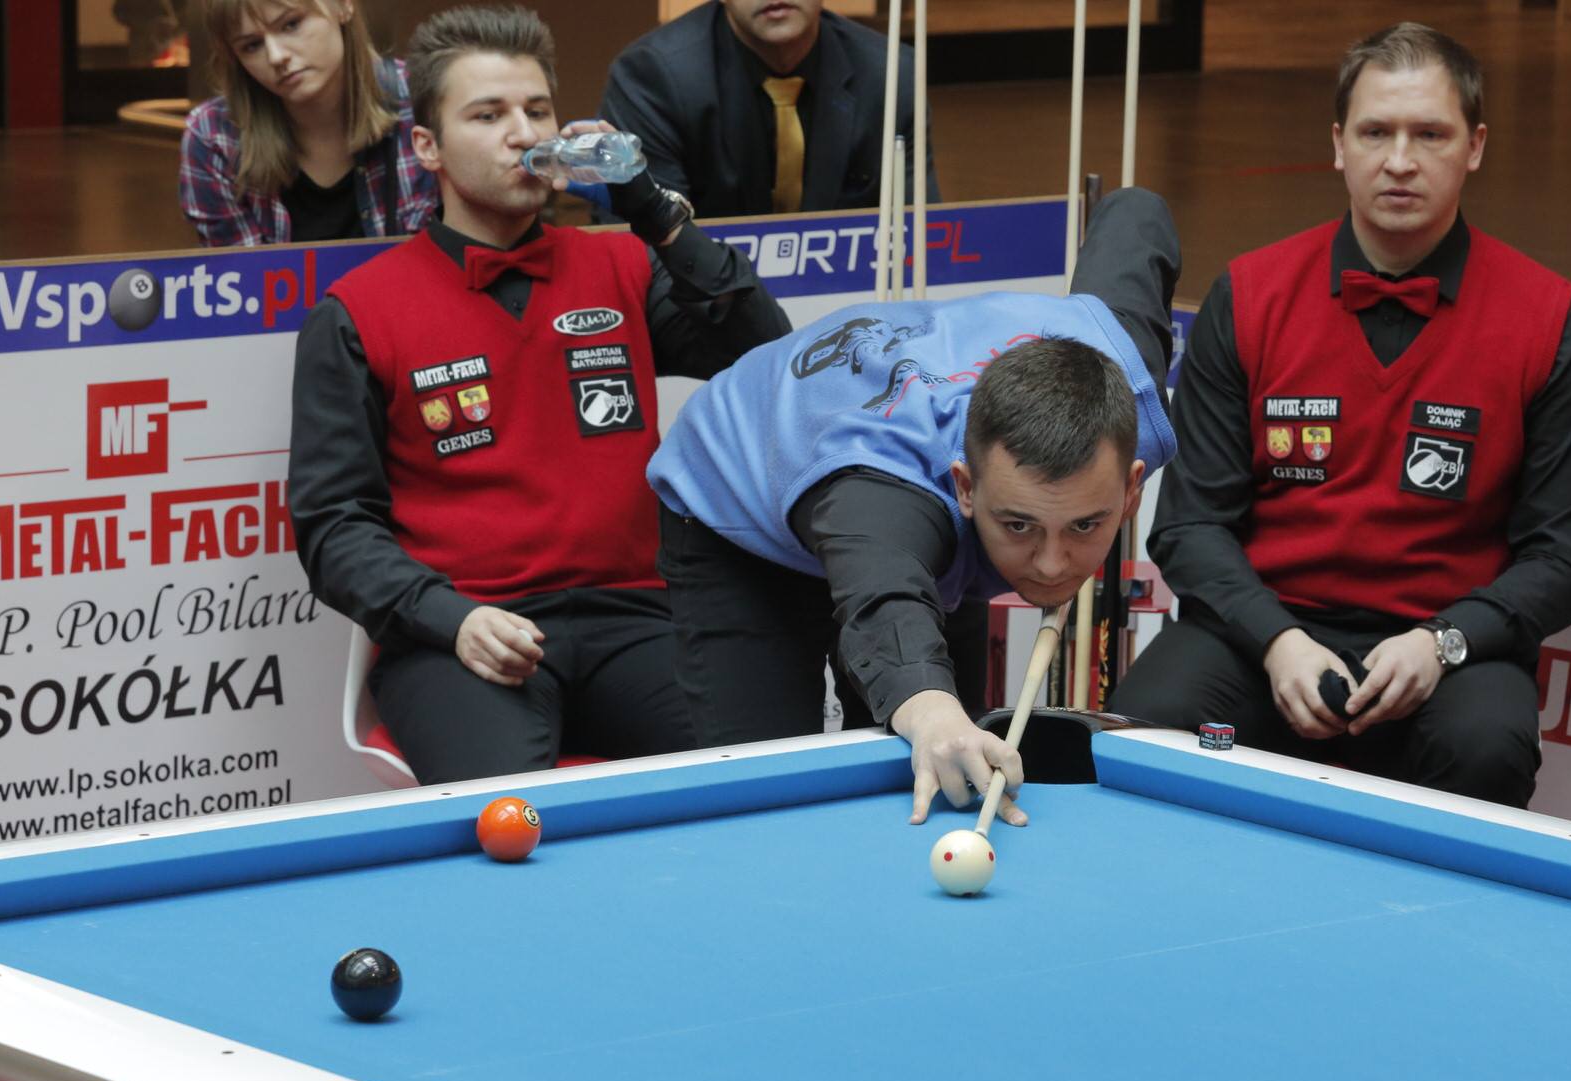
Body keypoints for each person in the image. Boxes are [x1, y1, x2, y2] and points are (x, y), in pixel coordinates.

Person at [1109, 23, 1571, 810]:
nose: (1400, 160)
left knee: (1487, 746)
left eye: (1430, 134)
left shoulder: (1552, 321)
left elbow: (1563, 561)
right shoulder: (1250, 296)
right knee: (1152, 724)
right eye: (1377, 132)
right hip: (1261, 637)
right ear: (1339, 144)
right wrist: (1277, 641)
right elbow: (1189, 525)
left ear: (1475, 146)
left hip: (1448, 647)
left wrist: (1443, 643)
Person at [288, 4, 790, 785]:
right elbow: (333, 526)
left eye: (538, 110)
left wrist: (652, 211)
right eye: (488, 115)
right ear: (427, 148)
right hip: (464, 632)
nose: (523, 134)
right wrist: (450, 618)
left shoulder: (621, 266)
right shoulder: (357, 310)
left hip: (639, 619)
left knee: (752, 783)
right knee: (511, 821)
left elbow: (762, 349)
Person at [647, 187, 1179, 826]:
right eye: (1020, 525)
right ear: (965, 487)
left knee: (949, 771)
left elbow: (1137, 217)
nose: (1050, 563)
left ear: (1131, 489)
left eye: (1084, 525)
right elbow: (885, 602)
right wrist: (928, 708)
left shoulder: (1127, 386)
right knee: (767, 793)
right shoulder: (887, 489)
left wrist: (943, 721)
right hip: (738, 502)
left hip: (909, 516)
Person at [592, 0, 938, 222]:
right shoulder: (653, 77)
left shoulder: (890, 74)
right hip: (701, 306)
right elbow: (647, 250)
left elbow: (922, 237)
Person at [180, 0, 439, 246]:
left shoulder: (426, 101)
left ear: (343, 5)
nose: (276, 56)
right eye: (252, 45)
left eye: (291, 24)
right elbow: (244, 275)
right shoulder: (214, 136)